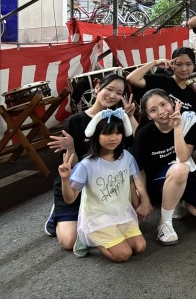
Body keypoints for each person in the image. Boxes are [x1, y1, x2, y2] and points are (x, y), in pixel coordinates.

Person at [45, 74, 138, 248]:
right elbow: (71, 166)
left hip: (104, 188)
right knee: (69, 242)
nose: (113, 95)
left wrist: (130, 117)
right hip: (77, 184)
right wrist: (71, 147)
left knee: (129, 233)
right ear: (97, 88)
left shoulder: (118, 119)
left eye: (119, 93)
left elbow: (131, 150)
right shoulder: (76, 121)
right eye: (109, 89)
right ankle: (56, 214)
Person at [58, 109, 151, 261]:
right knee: (123, 254)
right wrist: (65, 179)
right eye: (107, 133)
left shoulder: (126, 157)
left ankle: (108, 237)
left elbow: (132, 182)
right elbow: (70, 198)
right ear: (96, 135)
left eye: (118, 133)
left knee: (139, 247)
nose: (113, 138)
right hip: (97, 218)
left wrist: (140, 204)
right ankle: (87, 236)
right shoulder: (86, 165)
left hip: (121, 213)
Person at [134, 90, 196, 246]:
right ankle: (164, 223)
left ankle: (180, 202)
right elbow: (139, 170)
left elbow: (183, 156)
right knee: (180, 169)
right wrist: (144, 198)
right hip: (160, 181)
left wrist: (177, 127)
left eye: (163, 104)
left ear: (172, 103)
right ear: (148, 116)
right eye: (153, 110)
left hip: (186, 173)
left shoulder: (188, 121)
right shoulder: (143, 134)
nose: (161, 111)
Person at [126, 47, 196, 113]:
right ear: (172, 65)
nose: (184, 69)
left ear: (194, 66)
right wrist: (155, 62)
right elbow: (132, 78)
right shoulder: (161, 81)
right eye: (179, 64)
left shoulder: (191, 94)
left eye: (188, 64)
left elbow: (195, 119)